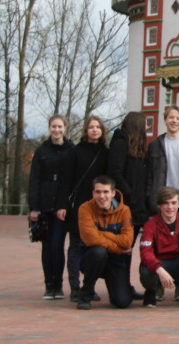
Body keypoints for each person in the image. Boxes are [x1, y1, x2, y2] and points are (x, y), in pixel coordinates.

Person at [57, 115, 110, 303]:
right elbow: (65, 180)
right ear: (85, 130)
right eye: (91, 127)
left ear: (102, 131)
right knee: (76, 247)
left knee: (94, 248)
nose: (95, 130)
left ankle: (89, 287)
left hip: (98, 207)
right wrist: (62, 204)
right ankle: (74, 287)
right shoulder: (74, 152)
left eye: (98, 127)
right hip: (78, 207)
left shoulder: (105, 152)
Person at [28, 114, 73, 300]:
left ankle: (59, 285)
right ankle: (49, 285)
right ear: (49, 128)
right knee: (47, 247)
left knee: (58, 245)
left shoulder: (71, 150)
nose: (56, 130)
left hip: (62, 206)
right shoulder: (41, 151)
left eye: (60, 126)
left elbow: (71, 179)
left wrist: (65, 204)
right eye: (53, 126)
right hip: (44, 204)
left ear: (65, 128)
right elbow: (34, 180)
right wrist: (34, 207)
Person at [107, 111, 150, 301]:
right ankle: (118, 285)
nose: (147, 128)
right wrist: (130, 195)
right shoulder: (120, 144)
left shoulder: (139, 147)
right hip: (126, 206)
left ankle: (124, 284)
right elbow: (115, 173)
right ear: (137, 125)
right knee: (121, 247)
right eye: (145, 124)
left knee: (128, 248)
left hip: (138, 207)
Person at [76, 176, 135, 310]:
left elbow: (127, 242)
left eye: (106, 192)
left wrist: (102, 233)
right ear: (93, 193)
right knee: (98, 252)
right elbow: (91, 239)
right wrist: (118, 247)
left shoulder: (124, 210)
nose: (102, 196)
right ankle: (86, 293)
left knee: (122, 302)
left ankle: (117, 285)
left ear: (113, 193)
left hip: (115, 261)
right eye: (98, 192)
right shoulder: (84, 209)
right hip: (91, 259)